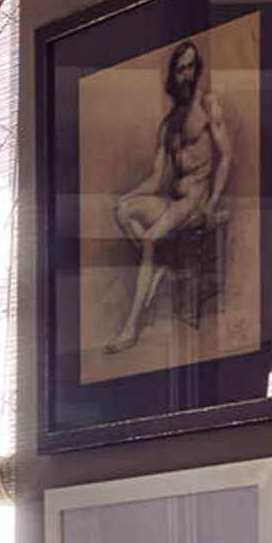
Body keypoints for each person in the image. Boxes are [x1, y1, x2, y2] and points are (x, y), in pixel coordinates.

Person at [107, 39, 232, 352]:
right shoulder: (168, 125)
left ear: (197, 68)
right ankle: (160, 264)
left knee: (150, 239)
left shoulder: (208, 105)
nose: (186, 75)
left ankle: (130, 329)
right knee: (124, 212)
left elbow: (226, 155)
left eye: (190, 67)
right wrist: (126, 197)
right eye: (180, 70)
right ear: (173, 77)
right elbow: (154, 179)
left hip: (196, 201)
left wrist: (212, 202)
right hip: (175, 203)